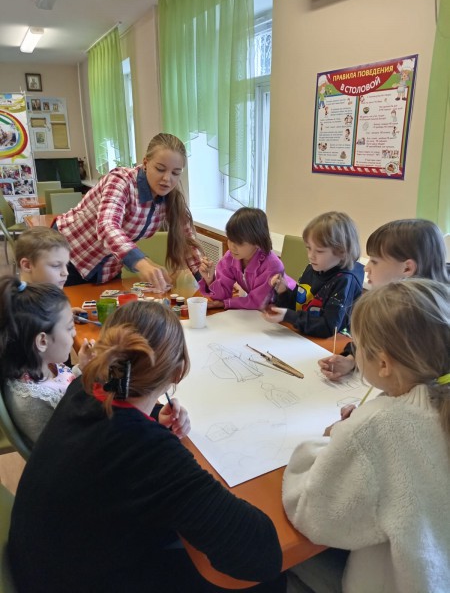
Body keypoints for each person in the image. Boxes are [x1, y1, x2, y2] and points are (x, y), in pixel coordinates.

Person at [8, 301, 286, 593]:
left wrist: (151, 416)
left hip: (40, 562)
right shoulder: (149, 451)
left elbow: (120, 424)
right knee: (269, 582)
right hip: (78, 580)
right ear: (178, 372)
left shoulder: (85, 387)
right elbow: (263, 556)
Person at [283, 279, 450, 593]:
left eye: (356, 346)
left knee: (277, 566)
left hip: (397, 582)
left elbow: (312, 514)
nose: (354, 353)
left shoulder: (378, 424)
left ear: (384, 364)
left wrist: (331, 439)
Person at [55, 133, 203, 290]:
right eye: (160, 169)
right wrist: (141, 262)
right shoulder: (121, 180)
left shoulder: (171, 198)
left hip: (106, 268)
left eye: (175, 173)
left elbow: (188, 241)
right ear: (145, 163)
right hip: (67, 256)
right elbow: (107, 225)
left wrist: (206, 278)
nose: (167, 178)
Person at [319, 218, 450, 380]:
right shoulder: (396, 303)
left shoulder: (430, 317)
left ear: (407, 268)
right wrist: (352, 359)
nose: (366, 268)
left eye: (374, 261)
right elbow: (375, 342)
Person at [0, 277, 93, 444]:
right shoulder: (33, 401)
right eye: (69, 327)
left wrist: (82, 368)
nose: (74, 334)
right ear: (42, 341)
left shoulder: (42, 365)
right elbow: (66, 447)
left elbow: (64, 384)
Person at [263, 211, 363, 338]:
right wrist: (283, 292)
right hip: (303, 336)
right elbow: (296, 308)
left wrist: (289, 316)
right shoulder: (313, 268)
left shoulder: (345, 280)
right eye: (308, 248)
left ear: (342, 252)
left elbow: (328, 327)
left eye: (319, 251)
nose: (311, 256)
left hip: (330, 344)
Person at [198, 207, 292, 310]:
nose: (232, 246)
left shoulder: (272, 266)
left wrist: (226, 303)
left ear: (257, 242)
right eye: (230, 239)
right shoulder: (230, 258)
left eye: (239, 242)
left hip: (290, 307)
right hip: (263, 311)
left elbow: (257, 302)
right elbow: (222, 297)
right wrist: (210, 280)